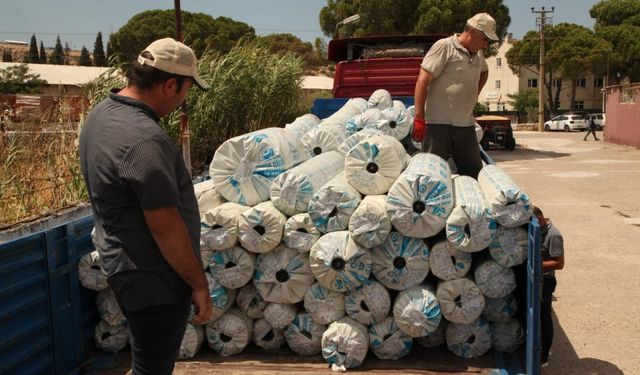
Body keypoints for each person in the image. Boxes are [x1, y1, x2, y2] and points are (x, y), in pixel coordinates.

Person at [79, 38, 212, 375]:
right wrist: (198, 283)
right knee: (152, 368)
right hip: (153, 280)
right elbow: (164, 226)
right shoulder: (144, 140)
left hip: (121, 262)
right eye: (185, 91)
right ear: (170, 84)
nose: (184, 100)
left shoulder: (102, 114)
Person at [412, 12, 499, 179]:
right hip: (438, 126)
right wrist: (419, 118)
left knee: (475, 175)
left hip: (465, 126)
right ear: (472, 31)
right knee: (431, 178)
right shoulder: (445, 47)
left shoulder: (477, 53)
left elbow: (484, 72)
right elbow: (422, 81)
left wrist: (476, 92)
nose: (486, 45)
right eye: (485, 39)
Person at [533, 206, 565, 368]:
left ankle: (544, 356)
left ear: (540, 218)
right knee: (537, 315)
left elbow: (559, 263)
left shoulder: (553, 236)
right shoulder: (539, 230)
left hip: (546, 281)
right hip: (538, 279)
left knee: (544, 317)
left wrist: (535, 264)